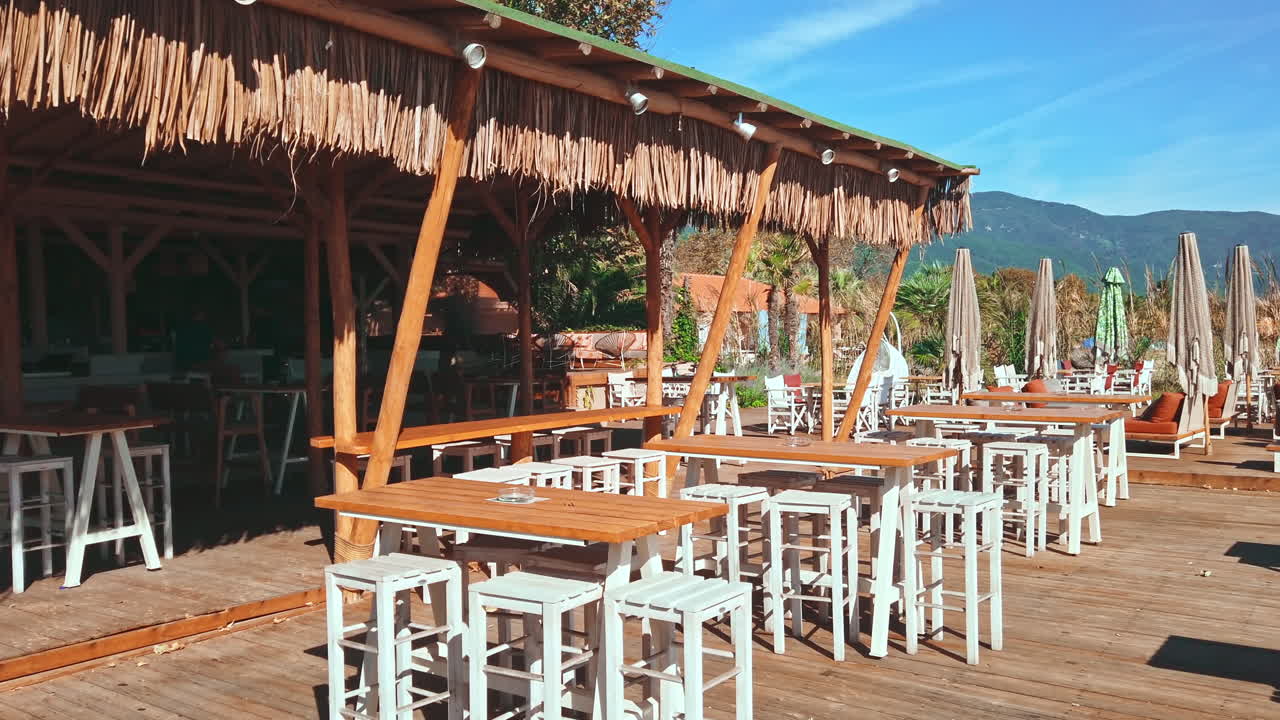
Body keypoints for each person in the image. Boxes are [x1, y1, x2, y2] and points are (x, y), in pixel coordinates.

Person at [174, 307, 214, 372]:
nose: (203, 317)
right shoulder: (203, 328)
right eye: (202, 315)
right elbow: (209, 343)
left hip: (186, 362)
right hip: (198, 361)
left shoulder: (184, 327)